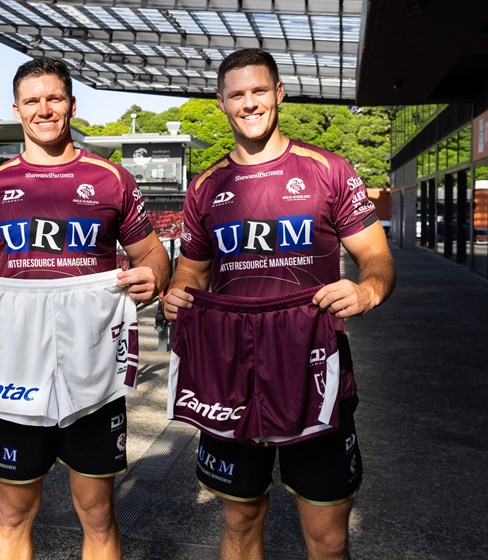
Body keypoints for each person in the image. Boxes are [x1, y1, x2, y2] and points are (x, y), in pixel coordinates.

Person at [163, 48, 395, 560]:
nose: (249, 103)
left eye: (259, 91)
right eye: (237, 95)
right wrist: (177, 293)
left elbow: (376, 256)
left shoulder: (329, 170)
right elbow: (192, 271)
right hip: (231, 375)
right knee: (240, 521)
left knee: (328, 539)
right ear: (222, 103)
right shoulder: (206, 186)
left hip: (314, 369)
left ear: (279, 94)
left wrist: (368, 290)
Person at [0, 56, 169, 560]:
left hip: (92, 359)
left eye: (54, 98)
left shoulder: (111, 179)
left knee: (98, 514)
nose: (43, 109)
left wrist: (154, 275)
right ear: (16, 110)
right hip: (15, 367)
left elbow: (152, 253)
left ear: (71, 105)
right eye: (32, 100)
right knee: (14, 513)